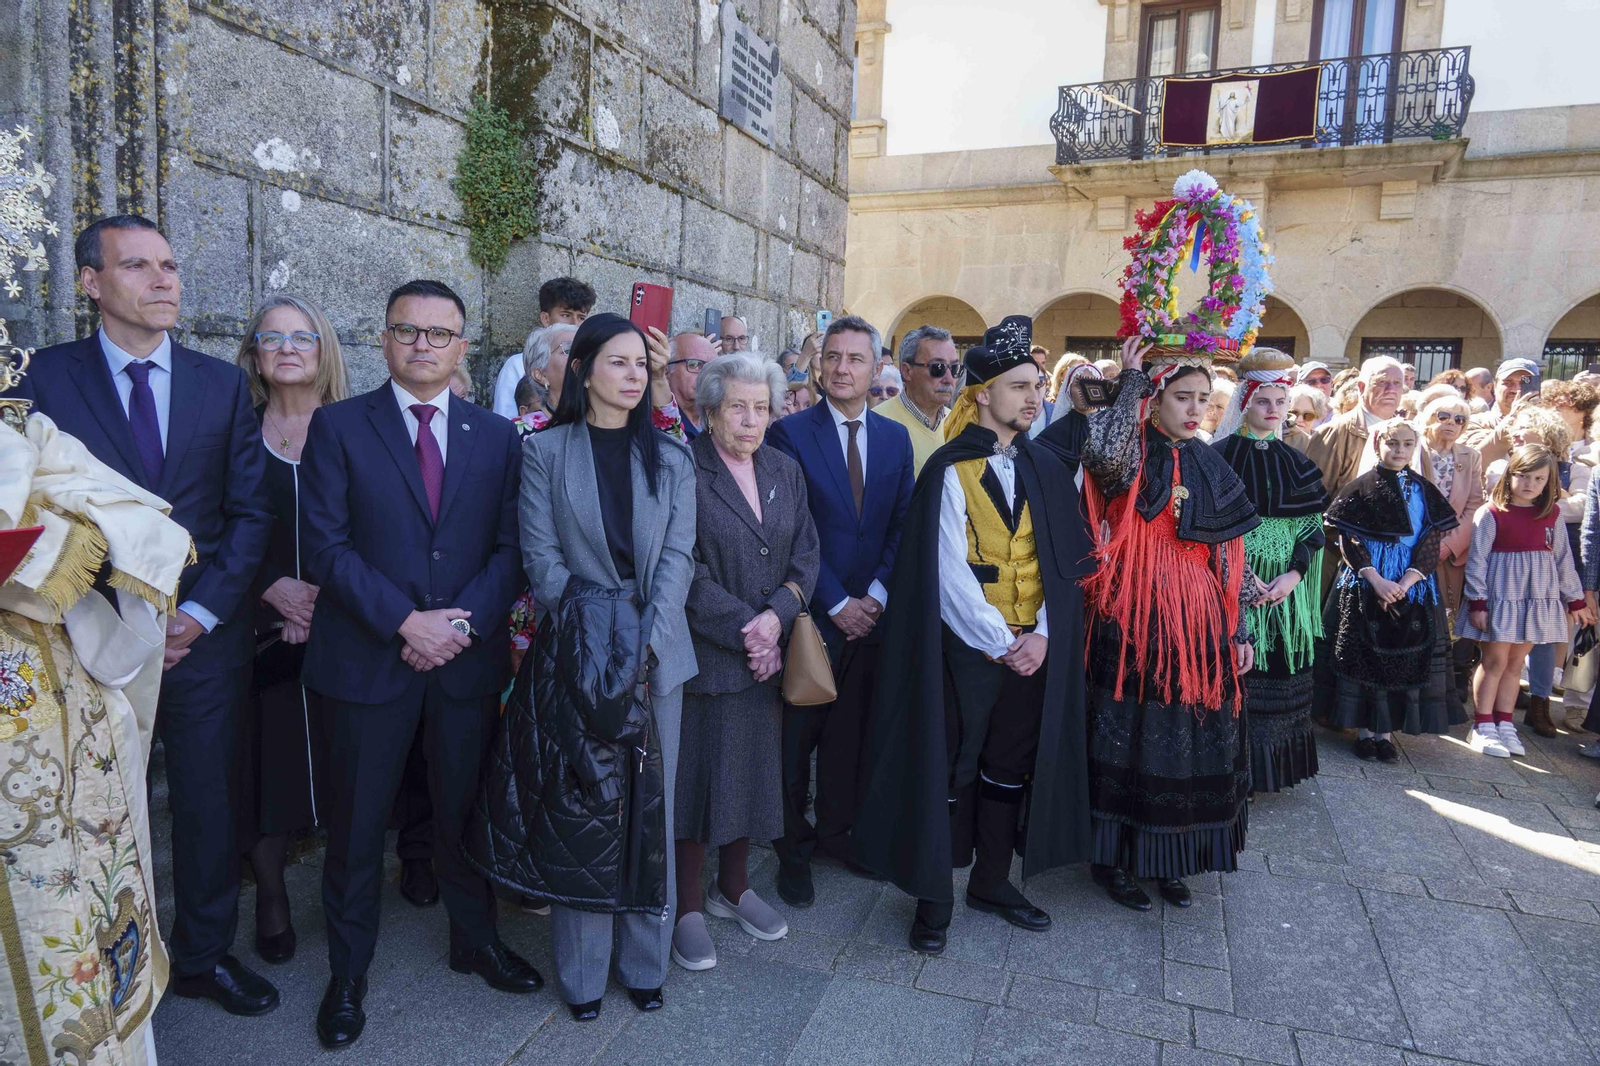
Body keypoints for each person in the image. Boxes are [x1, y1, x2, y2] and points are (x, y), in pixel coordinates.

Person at [17, 214, 278, 1015]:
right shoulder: (40, 377)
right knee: (89, 804)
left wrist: (197, 614)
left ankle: (202, 956)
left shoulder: (221, 383)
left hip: (196, 642)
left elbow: (250, 517)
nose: (164, 280)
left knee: (206, 802)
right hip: (81, 638)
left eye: (169, 264)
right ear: (92, 283)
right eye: (138, 266)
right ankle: (92, 962)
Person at [299, 280, 537, 1049]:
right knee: (358, 825)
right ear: (386, 339)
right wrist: (406, 621)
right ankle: (348, 972)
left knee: (465, 813)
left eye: (441, 333)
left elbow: (512, 551)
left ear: (464, 345)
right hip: (369, 661)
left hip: (463, 664)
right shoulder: (337, 427)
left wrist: (456, 625)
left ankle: (475, 942)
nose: (425, 344)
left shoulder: (497, 437)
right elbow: (326, 547)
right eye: (409, 330)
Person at [851, 316, 1094, 955]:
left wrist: (1040, 635)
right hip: (966, 651)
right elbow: (946, 572)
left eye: (1037, 385)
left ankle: (991, 881)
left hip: (1031, 649)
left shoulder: (1046, 466)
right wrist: (999, 640)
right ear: (982, 392)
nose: (1033, 397)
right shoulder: (948, 469)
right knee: (946, 763)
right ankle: (934, 896)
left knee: (1010, 763)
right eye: (1019, 386)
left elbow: (1061, 563)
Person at [482, 312, 698, 1020]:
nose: (635, 375)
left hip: (656, 657)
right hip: (577, 651)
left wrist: (642, 641)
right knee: (582, 807)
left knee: (647, 811)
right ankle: (581, 977)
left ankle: (644, 965)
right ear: (582, 370)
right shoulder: (545, 453)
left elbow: (677, 561)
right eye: (620, 362)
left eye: (642, 364)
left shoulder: (672, 458)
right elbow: (541, 561)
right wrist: (598, 636)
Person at [1, 405, 195, 1066]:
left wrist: (66, 527)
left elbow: (121, 509)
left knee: (80, 898)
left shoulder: (24, 429)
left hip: (56, 698)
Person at [1077, 338, 1262, 911]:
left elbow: (1232, 554)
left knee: (1186, 739)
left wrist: (1241, 631)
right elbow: (1101, 457)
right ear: (1155, 398)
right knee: (1128, 735)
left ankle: (1172, 855)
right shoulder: (1129, 448)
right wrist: (1129, 381)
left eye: (1204, 400)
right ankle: (1116, 860)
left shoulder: (1209, 459)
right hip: (1133, 614)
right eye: (1182, 397)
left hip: (1202, 620)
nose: (1194, 410)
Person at [671, 353, 820, 971]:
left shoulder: (785, 468)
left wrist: (774, 621)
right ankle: (684, 908)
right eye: (738, 406)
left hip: (767, 658)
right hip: (708, 659)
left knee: (752, 778)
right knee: (697, 785)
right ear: (708, 410)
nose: (752, 419)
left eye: (762, 407)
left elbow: (806, 557)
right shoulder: (683, 469)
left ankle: (733, 888)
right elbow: (682, 566)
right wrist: (746, 628)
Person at [764, 314, 915, 907]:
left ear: (876, 367)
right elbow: (788, 531)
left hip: (871, 616)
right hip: (811, 612)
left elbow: (903, 524)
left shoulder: (896, 439)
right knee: (796, 739)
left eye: (855, 359)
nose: (842, 368)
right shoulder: (790, 435)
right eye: (833, 357)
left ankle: (835, 834)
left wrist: (874, 596)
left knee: (851, 737)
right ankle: (791, 849)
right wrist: (835, 600)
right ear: (818, 363)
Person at [233, 294, 351, 965]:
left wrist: (327, 598)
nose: (286, 348)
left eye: (302, 336)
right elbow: (209, 527)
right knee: (265, 763)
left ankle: (353, 894)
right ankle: (272, 894)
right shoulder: (234, 433)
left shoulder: (357, 429)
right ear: (252, 353)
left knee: (348, 763)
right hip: (260, 631)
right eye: (270, 338)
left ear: (323, 349)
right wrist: (270, 586)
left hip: (345, 623)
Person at [1211, 348, 1329, 792]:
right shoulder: (1217, 457)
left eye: (1281, 402)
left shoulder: (1298, 463)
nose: (1273, 410)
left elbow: (1311, 529)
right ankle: (1229, 766)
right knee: (1238, 671)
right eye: (1264, 401)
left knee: (1278, 668)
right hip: (1231, 582)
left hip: (1283, 591)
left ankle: (1270, 770)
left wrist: (1294, 575)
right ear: (1245, 400)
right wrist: (1240, 576)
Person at [1315, 420, 1463, 762]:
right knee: (1363, 654)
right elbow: (1347, 538)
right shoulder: (1360, 488)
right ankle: (1365, 731)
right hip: (1366, 583)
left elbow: (1431, 538)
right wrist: (1376, 580)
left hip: (1412, 585)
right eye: (1393, 443)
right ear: (1379, 443)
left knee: (1404, 655)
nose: (1399, 451)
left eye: (1407, 444)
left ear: (1416, 447)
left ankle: (1385, 732)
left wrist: (1407, 581)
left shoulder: (1424, 489)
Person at [1458, 444, 1593, 757]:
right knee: (1494, 661)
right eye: (1523, 476)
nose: (1531, 484)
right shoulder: (1490, 513)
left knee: (1516, 664)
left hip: (1537, 598)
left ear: (1549, 483)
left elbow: (1562, 558)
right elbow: (1477, 559)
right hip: (1501, 596)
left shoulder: (1552, 514)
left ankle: (1505, 723)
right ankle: (1481, 725)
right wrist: (1478, 601)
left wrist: (1574, 600)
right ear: (1510, 475)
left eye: (1539, 478)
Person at [1306, 356, 1414, 498]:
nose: (1391, 390)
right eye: (1382, 382)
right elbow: (1312, 496)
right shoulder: (1334, 433)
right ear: (1362, 387)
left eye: (1397, 383)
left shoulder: (1411, 433)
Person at [491, 276, 594, 417]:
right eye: (565, 315)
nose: (574, 324)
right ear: (545, 318)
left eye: (581, 318)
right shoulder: (516, 366)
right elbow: (504, 420)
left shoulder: (590, 364)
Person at [1418, 392, 1483, 616]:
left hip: (1451, 552)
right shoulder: (1413, 450)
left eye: (1459, 419)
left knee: (1448, 619)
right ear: (1429, 419)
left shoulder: (1471, 456)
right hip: (1415, 547)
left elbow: (1474, 506)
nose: (1452, 423)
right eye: (1444, 416)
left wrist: (1449, 546)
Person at [877, 324, 961, 474]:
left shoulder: (957, 423)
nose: (948, 379)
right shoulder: (877, 424)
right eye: (938, 368)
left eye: (954, 368)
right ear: (907, 371)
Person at [1461, 358, 1539, 467]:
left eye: (1524, 382)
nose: (1516, 389)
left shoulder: (1547, 426)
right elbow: (1471, 463)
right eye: (1508, 383)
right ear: (1494, 386)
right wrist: (1511, 420)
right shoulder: (1475, 422)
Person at [668, 332, 717, 438]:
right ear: (666, 370)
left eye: (712, 367)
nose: (705, 374)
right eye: (694, 365)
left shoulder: (722, 422)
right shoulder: (658, 426)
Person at [1286, 383, 1327, 449]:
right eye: (1294, 413)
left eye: (1308, 415)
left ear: (1316, 416)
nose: (1299, 419)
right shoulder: (1276, 438)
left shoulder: (1322, 444)